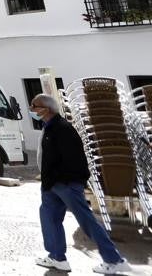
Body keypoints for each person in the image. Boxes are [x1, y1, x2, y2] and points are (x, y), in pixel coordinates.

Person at [31, 93, 133, 274]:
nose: (32, 109)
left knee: (87, 221)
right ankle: (57, 257)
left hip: (65, 184)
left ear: (46, 109)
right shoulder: (50, 127)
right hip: (52, 185)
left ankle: (114, 260)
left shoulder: (62, 129)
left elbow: (72, 159)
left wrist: (64, 180)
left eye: (35, 106)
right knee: (49, 218)